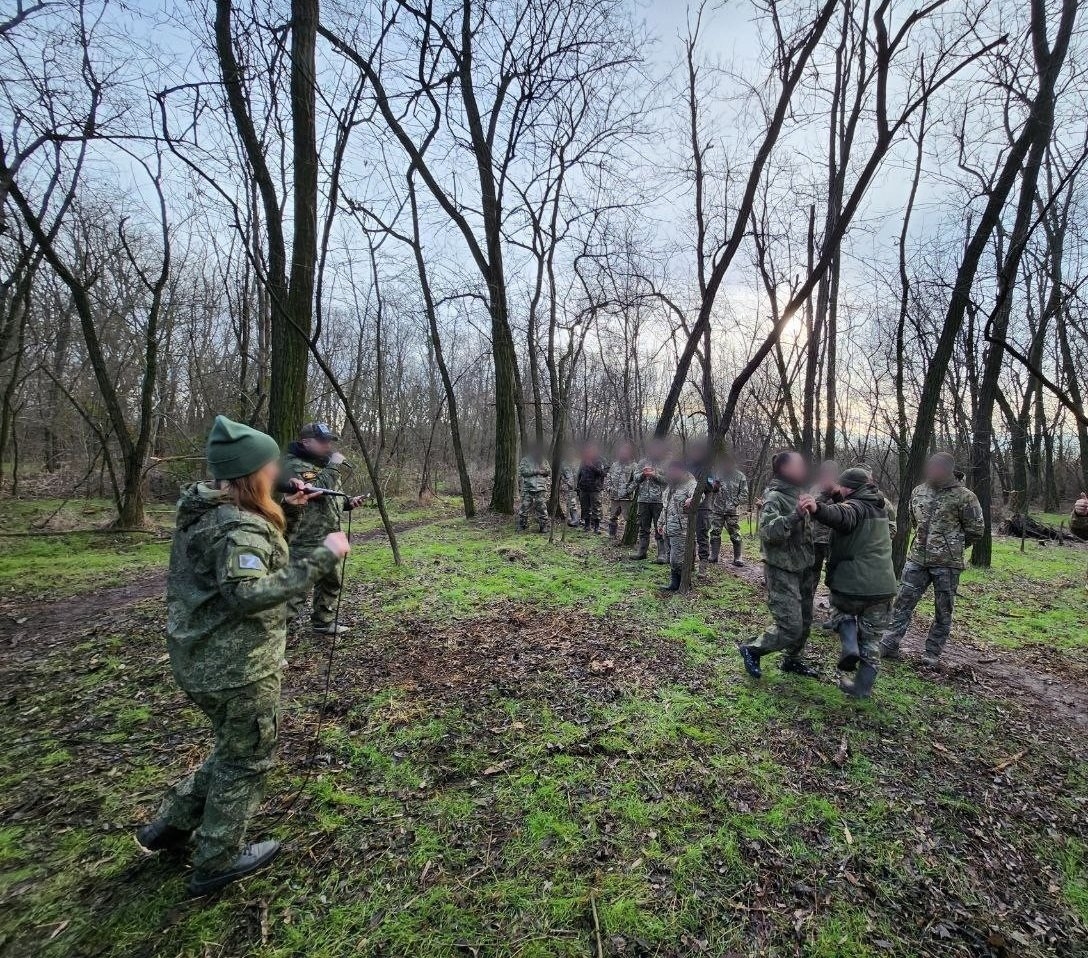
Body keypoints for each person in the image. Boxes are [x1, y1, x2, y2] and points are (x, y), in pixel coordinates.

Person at [136, 415, 351, 896]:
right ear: (250, 471)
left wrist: (289, 512)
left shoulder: (211, 509)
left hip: (203, 660)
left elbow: (252, 550)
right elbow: (250, 594)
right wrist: (324, 556)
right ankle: (217, 859)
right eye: (269, 466)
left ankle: (171, 824)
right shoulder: (236, 527)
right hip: (236, 666)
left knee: (232, 747)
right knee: (247, 757)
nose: (278, 472)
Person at [799, 467, 898, 699]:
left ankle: (850, 645)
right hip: (883, 587)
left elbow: (843, 515)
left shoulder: (853, 508)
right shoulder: (879, 505)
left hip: (853, 585)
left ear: (848, 488)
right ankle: (861, 689)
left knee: (839, 609)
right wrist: (836, 492)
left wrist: (817, 508)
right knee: (873, 640)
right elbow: (852, 508)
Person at [880, 452, 984, 666]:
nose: (932, 471)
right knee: (902, 602)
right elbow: (913, 520)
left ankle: (932, 654)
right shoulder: (919, 491)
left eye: (937, 468)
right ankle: (888, 644)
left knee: (943, 610)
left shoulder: (965, 497)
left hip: (947, 564)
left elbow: (976, 530)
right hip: (917, 559)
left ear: (948, 470)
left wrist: (951, 546)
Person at [738, 451, 819, 680]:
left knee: (805, 621)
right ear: (785, 469)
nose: (804, 468)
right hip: (781, 568)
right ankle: (753, 649)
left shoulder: (800, 493)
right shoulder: (775, 497)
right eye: (799, 465)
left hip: (803, 567)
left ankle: (792, 660)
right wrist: (794, 516)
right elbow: (768, 533)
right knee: (790, 626)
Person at [280, 422, 363, 635]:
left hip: (331, 533)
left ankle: (323, 621)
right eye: (322, 441)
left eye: (329, 442)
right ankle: (276, 639)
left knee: (332, 581)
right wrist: (334, 465)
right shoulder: (292, 465)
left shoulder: (322, 465)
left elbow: (327, 496)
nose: (328, 446)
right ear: (306, 442)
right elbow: (315, 488)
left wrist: (347, 502)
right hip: (306, 536)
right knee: (297, 588)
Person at [660, 458, 697, 593]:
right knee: (671, 558)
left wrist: (692, 499)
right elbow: (666, 506)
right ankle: (674, 584)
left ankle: (686, 584)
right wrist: (661, 523)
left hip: (682, 529)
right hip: (668, 528)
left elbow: (699, 495)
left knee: (677, 559)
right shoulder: (671, 486)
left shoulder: (690, 483)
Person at [632, 438, 670, 562]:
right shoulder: (643, 462)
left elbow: (668, 480)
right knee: (643, 528)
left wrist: (655, 476)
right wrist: (643, 475)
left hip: (659, 501)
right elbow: (635, 478)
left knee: (659, 527)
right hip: (643, 500)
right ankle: (642, 552)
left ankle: (662, 554)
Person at [709, 453, 749, 567]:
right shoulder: (718, 474)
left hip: (732, 511)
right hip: (718, 509)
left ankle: (738, 557)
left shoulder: (740, 476)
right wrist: (715, 487)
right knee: (715, 532)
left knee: (735, 534)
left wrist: (734, 503)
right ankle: (714, 556)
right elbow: (713, 490)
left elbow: (744, 494)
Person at [684, 438, 717, 575]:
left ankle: (703, 565)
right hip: (688, 506)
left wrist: (698, 486)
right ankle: (689, 563)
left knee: (702, 535)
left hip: (703, 506)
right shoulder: (688, 465)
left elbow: (711, 486)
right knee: (688, 535)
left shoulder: (708, 468)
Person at [809, 459, 840, 587]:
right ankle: (808, 603)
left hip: (833, 540)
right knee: (812, 573)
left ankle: (832, 604)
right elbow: (808, 510)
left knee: (834, 574)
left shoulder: (840, 490)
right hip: (815, 538)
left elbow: (845, 511)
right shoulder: (814, 489)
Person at [605, 441, 638, 539]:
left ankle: (628, 538)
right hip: (614, 497)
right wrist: (609, 488)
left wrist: (628, 490)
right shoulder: (615, 465)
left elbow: (636, 482)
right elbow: (609, 477)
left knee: (629, 518)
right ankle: (612, 535)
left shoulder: (634, 466)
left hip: (627, 498)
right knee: (612, 517)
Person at [517, 442, 552, 533]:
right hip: (528, 488)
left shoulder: (543, 460)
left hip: (540, 488)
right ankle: (521, 525)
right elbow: (522, 471)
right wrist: (536, 471)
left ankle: (544, 527)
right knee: (524, 508)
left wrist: (543, 471)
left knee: (542, 509)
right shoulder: (525, 460)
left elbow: (548, 471)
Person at [577, 443, 607, 533]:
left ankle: (596, 527)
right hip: (584, 488)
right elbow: (579, 474)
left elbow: (602, 473)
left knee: (596, 508)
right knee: (585, 508)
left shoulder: (599, 461)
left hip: (595, 489)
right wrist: (578, 486)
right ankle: (587, 526)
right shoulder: (583, 461)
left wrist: (591, 466)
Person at [559, 454, 580, 527]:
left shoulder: (579, 462)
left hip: (581, 486)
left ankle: (586, 520)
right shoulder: (564, 463)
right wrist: (567, 482)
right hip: (569, 487)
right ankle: (575, 519)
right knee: (571, 503)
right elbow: (561, 475)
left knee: (585, 504)